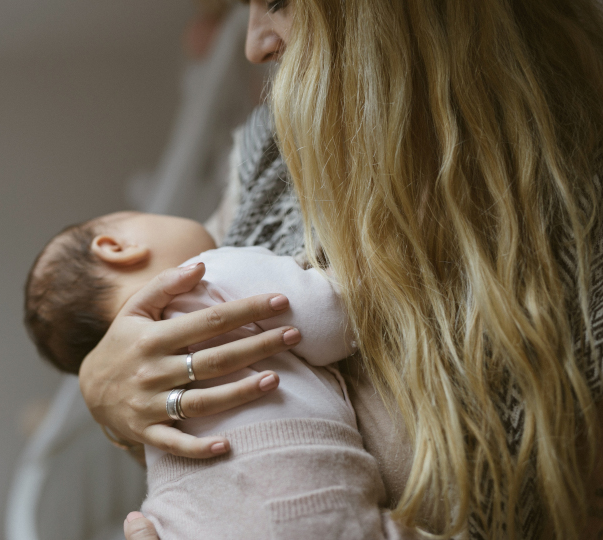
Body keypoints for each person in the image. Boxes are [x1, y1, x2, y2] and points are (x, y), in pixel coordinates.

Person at [77, 1, 603, 539]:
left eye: (277, 3)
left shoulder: (580, 250)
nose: (253, 44)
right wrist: (106, 391)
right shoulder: (270, 159)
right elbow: (227, 446)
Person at [24, 211, 414, 538]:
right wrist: (381, 262)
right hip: (292, 495)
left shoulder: (140, 402)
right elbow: (333, 324)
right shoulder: (209, 273)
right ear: (116, 247)